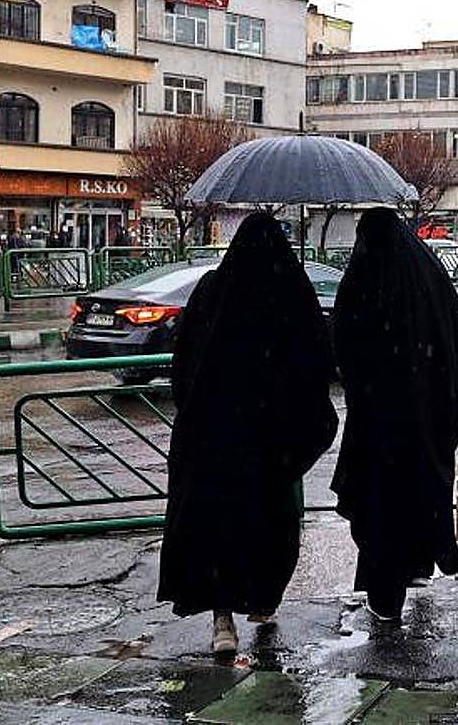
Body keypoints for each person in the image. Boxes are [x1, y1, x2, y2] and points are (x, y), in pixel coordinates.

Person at [158, 212, 338, 655]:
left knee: (217, 527)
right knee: (268, 526)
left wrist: (201, 413)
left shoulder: (213, 291)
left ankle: (223, 619)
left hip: (214, 439)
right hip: (269, 443)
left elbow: (183, 361)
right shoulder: (291, 292)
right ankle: (262, 599)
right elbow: (318, 363)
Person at [330, 208, 458, 623]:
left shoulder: (365, 277)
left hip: (379, 420)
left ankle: (385, 592)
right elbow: (452, 336)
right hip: (429, 413)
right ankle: (422, 559)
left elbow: (345, 341)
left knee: (381, 505)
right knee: (420, 490)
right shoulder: (427, 272)